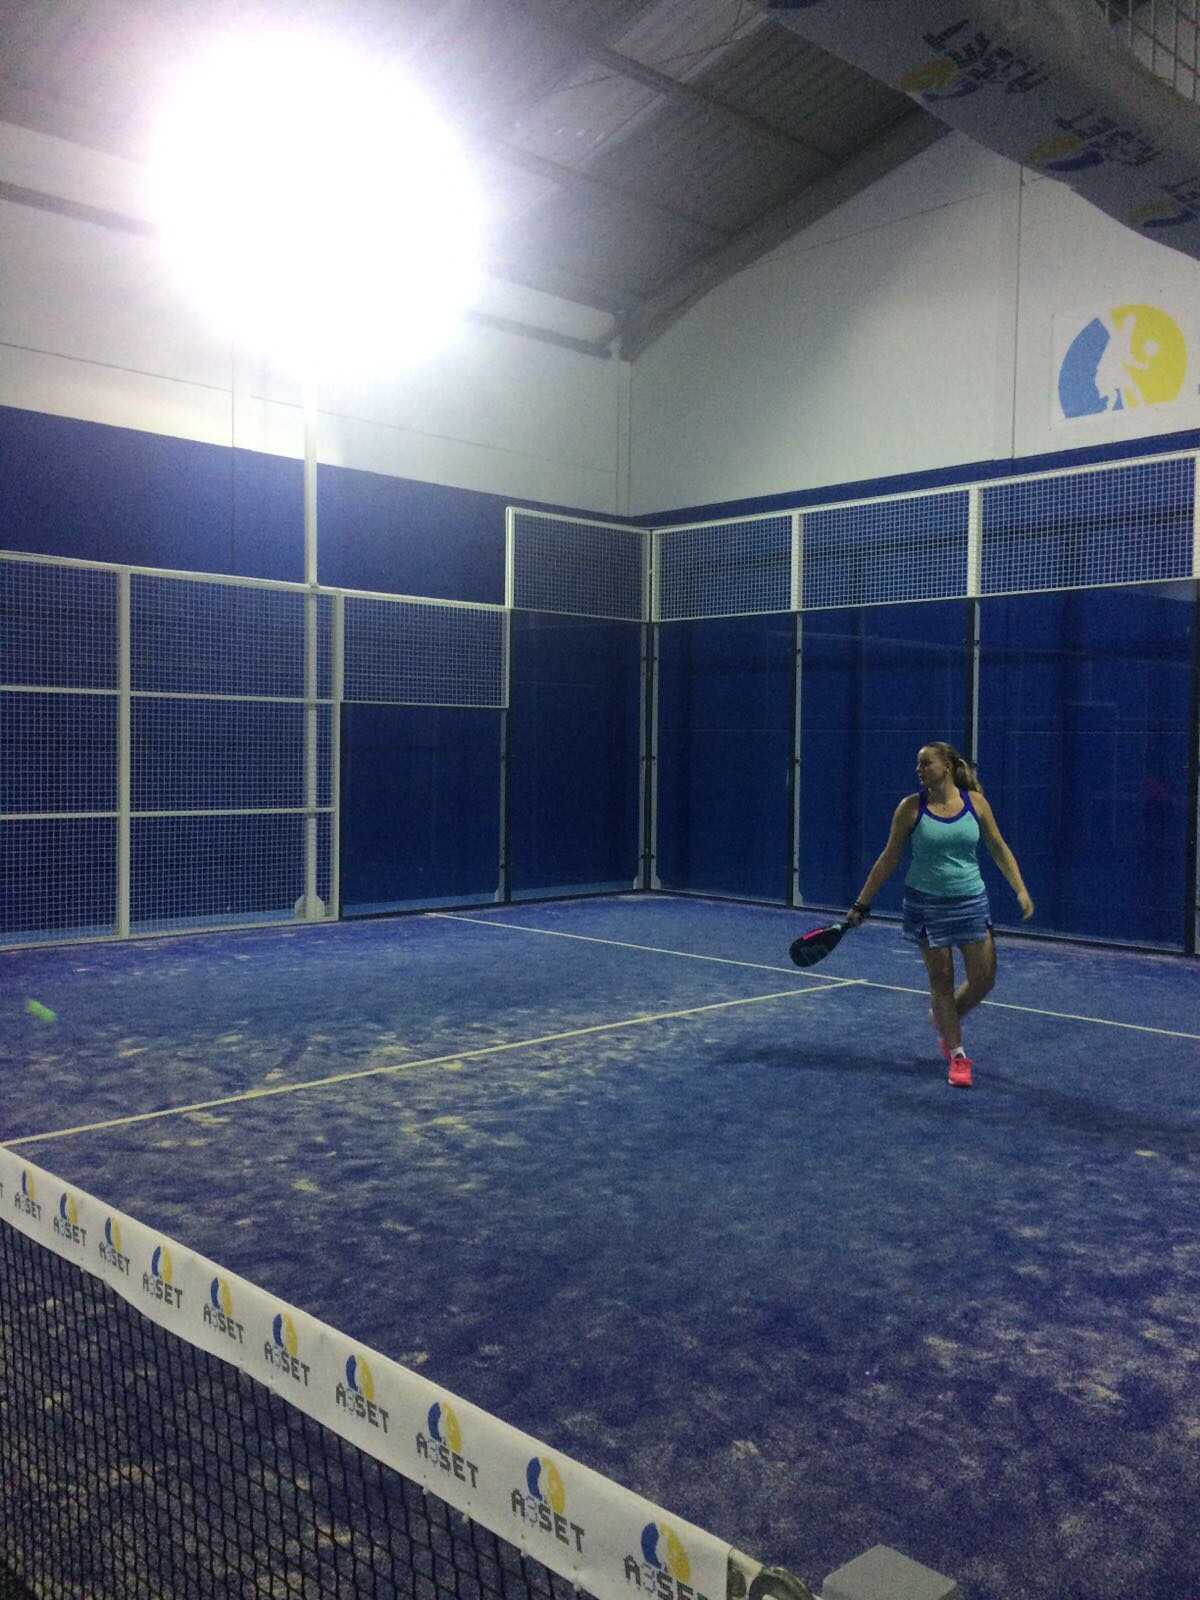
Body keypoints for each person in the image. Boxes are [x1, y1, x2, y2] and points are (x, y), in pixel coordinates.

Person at [845, 742, 1033, 1088]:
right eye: (918, 765)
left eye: (926, 763)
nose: (919, 770)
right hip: (926, 905)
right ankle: (958, 1055)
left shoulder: (976, 803)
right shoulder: (910, 808)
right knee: (941, 981)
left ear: (946, 766)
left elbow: (999, 848)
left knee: (984, 978)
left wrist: (1020, 889)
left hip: (970, 902)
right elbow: (888, 858)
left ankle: (946, 1019)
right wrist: (861, 904)